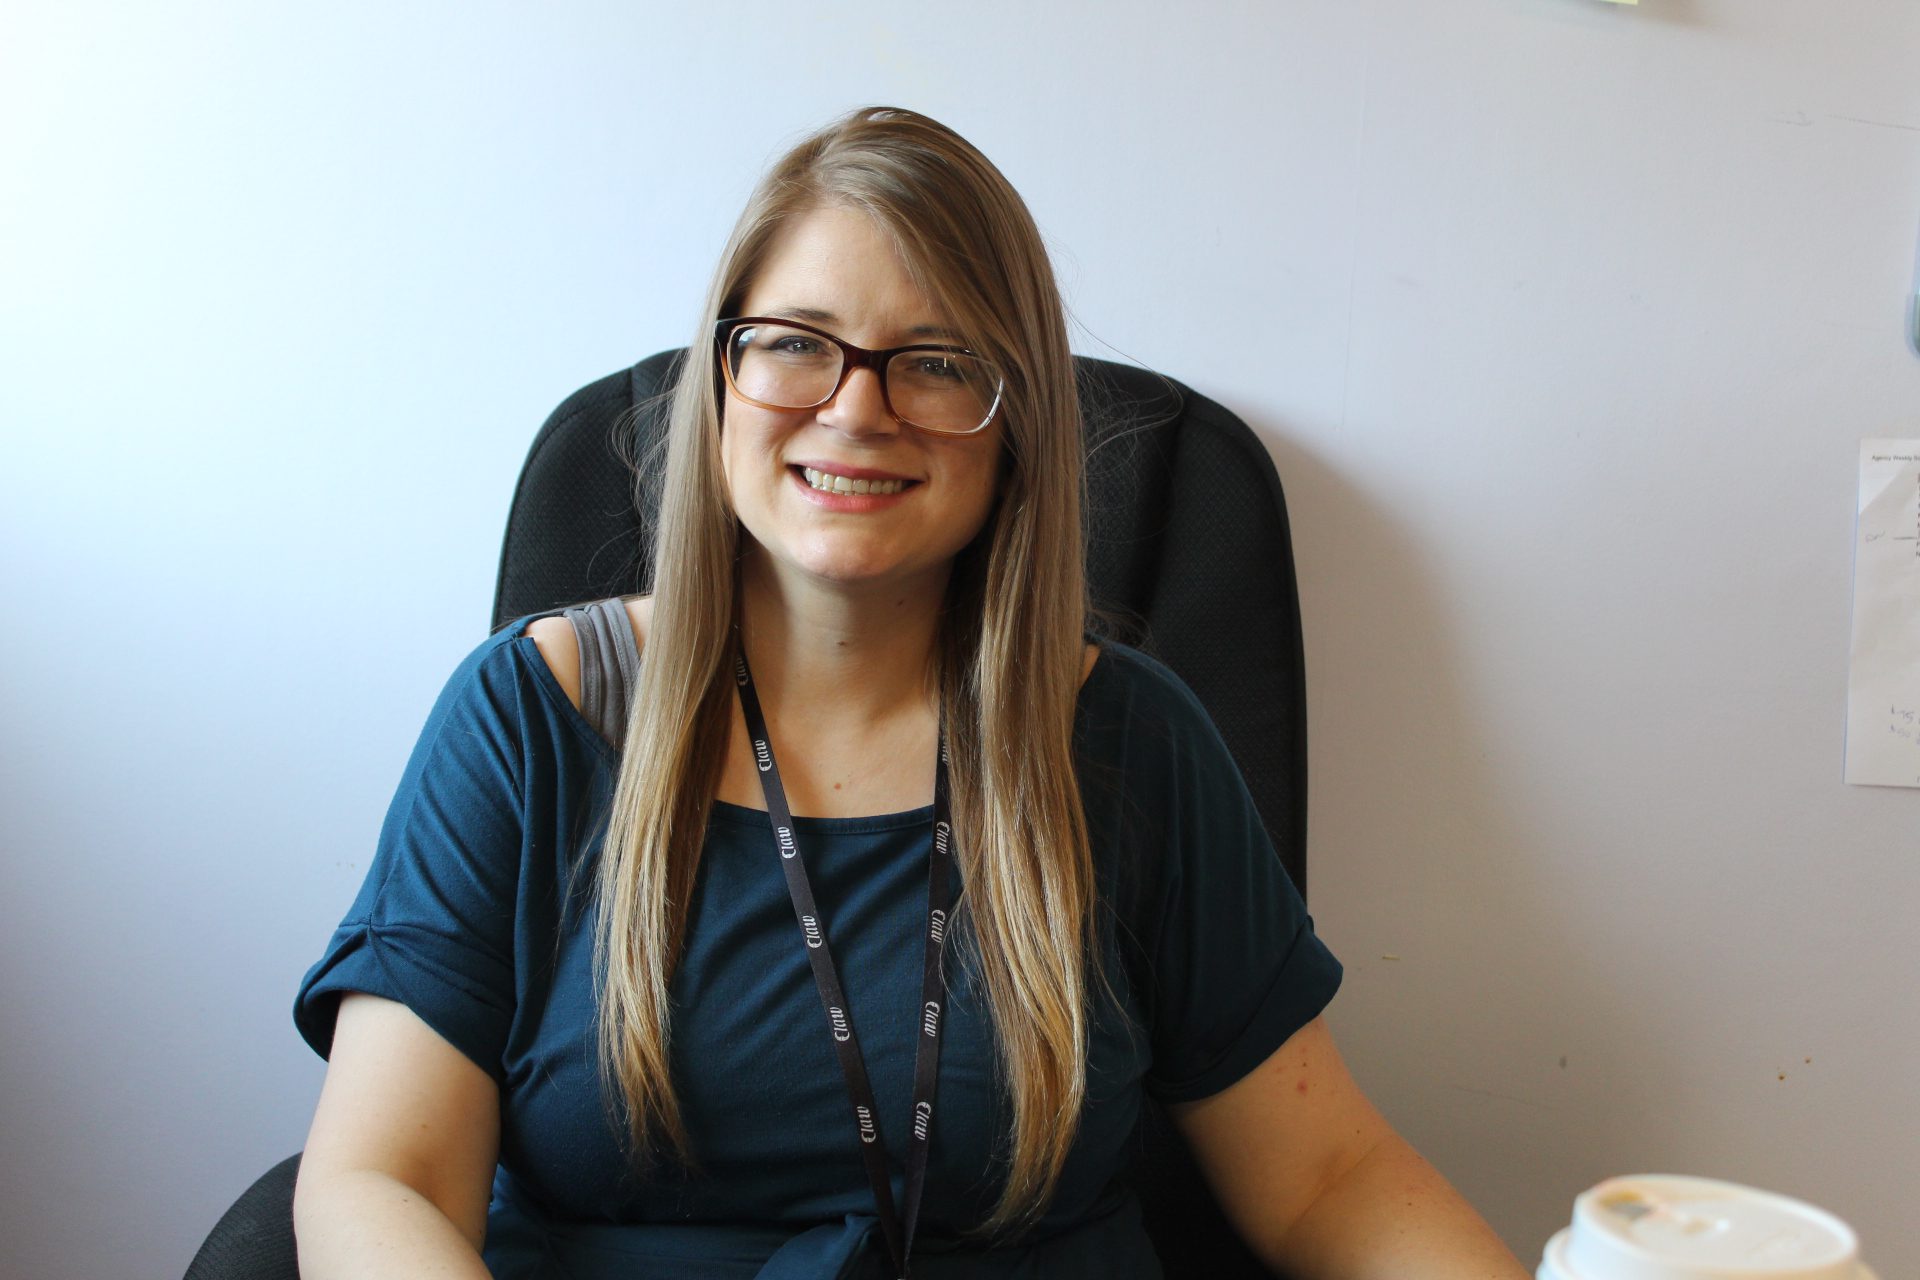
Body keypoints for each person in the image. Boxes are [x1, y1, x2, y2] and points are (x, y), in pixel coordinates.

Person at [290, 106, 1528, 1279]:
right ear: (722, 379)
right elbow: (380, 1180)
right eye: (795, 342)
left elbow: (1327, 1177)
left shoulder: (1128, 737)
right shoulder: (528, 718)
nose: (855, 408)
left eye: (935, 362)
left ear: (1016, 419)